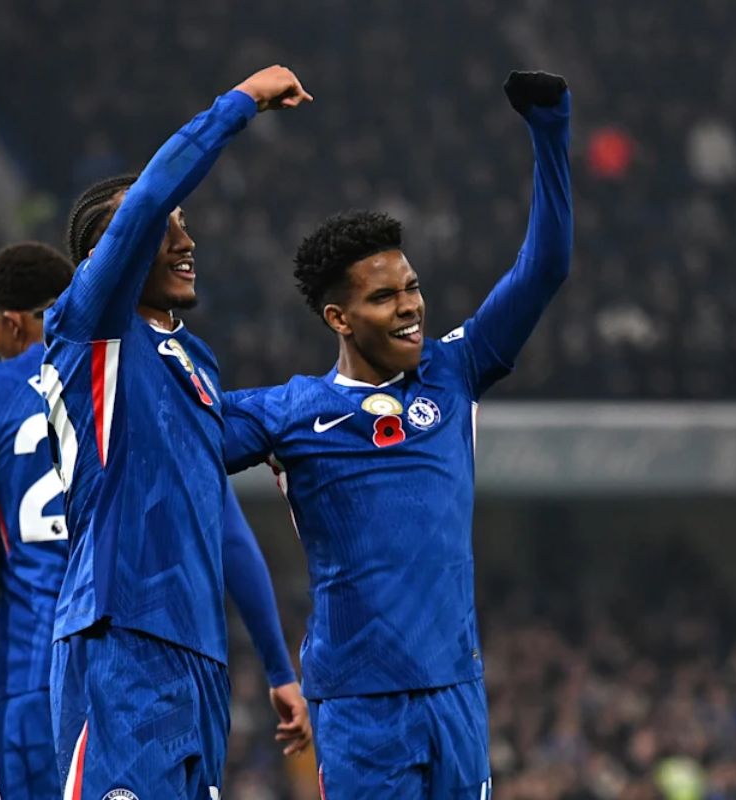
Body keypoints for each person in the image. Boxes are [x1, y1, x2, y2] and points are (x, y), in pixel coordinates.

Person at [222, 71, 573, 798]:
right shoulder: (291, 412)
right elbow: (168, 436)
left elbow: (545, 267)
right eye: (383, 297)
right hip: (359, 707)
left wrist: (550, 129)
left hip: (456, 691)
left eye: (411, 287)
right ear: (339, 319)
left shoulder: (455, 369)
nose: (409, 307)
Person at [0, 242, 310, 797]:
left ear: (12, 322)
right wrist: (278, 668)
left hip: (49, 664)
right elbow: (230, 537)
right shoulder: (148, 382)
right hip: (144, 656)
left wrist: (3, 646)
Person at [42, 65, 311, 798]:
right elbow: (149, 197)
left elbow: (223, 522)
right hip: (118, 635)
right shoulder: (89, 330)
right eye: (165, 228)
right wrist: (240, 102)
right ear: (109, 256)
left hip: (200, 659)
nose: (184, 239)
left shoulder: (194, 362)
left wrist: (278, 668)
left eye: (186, 225)